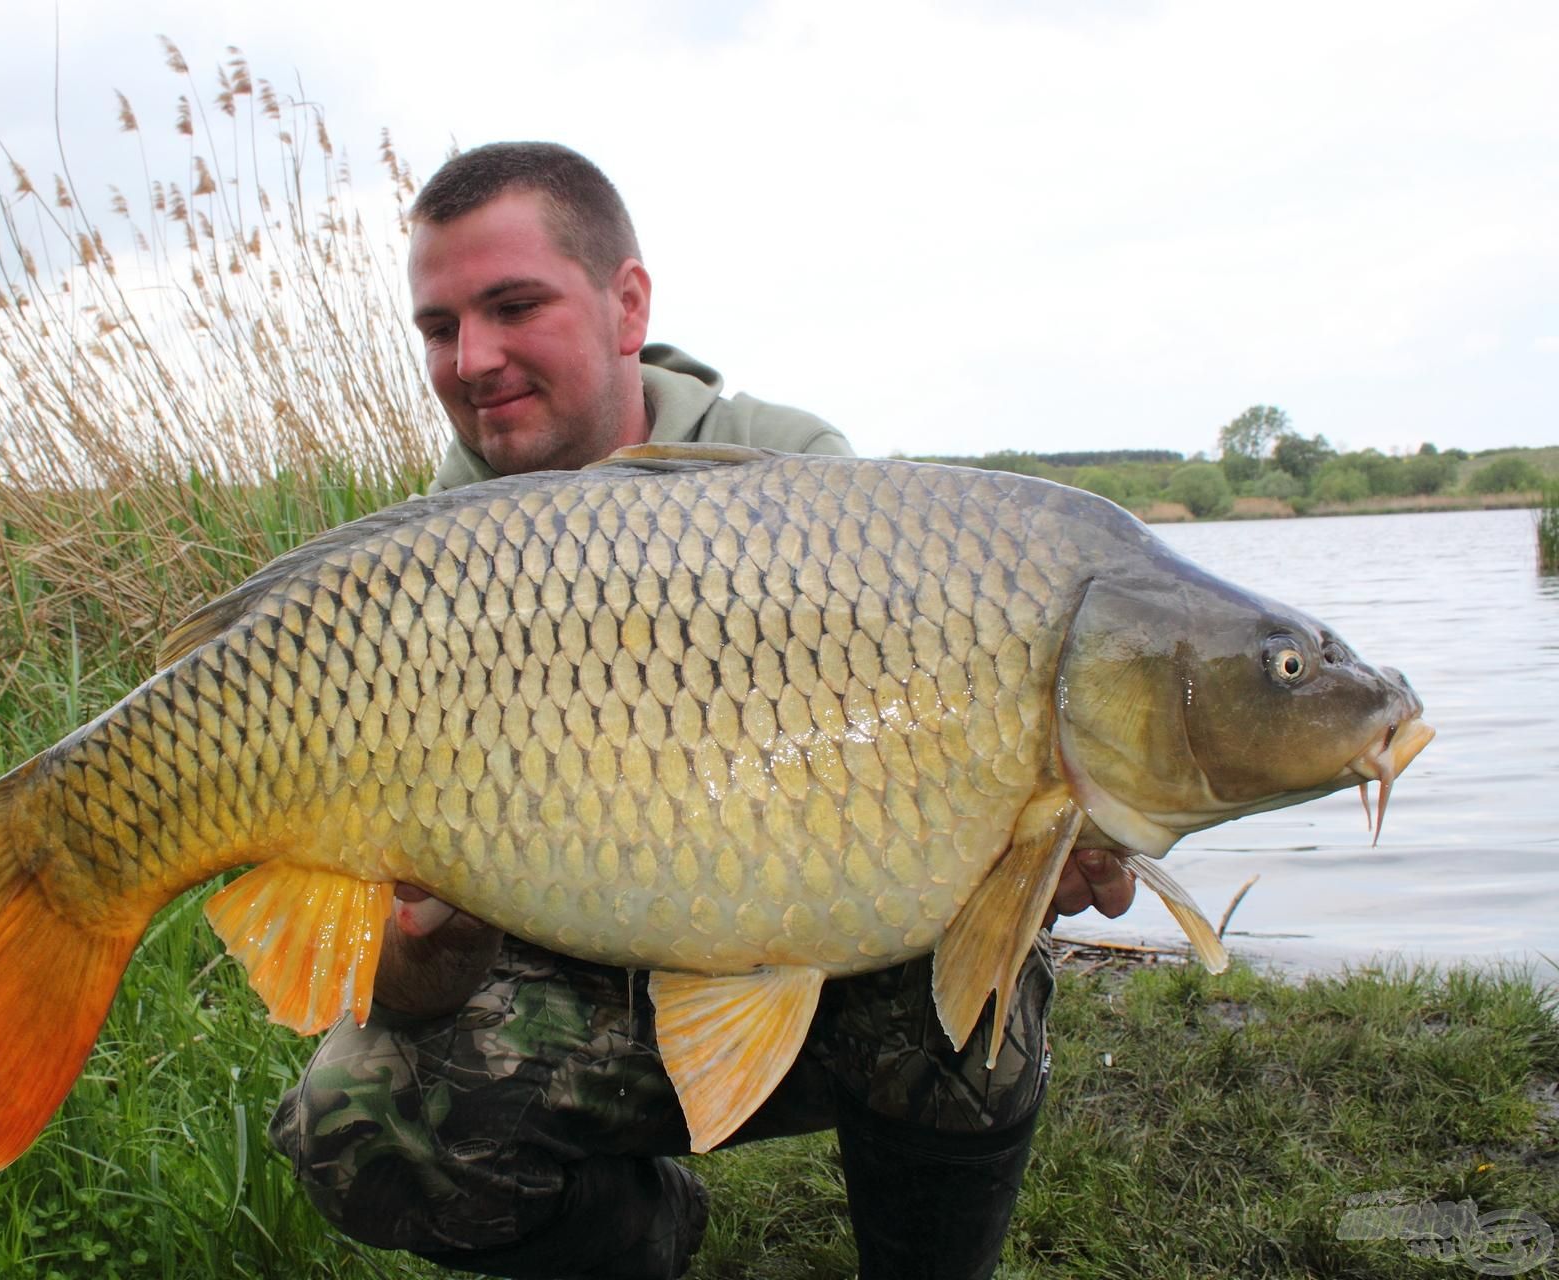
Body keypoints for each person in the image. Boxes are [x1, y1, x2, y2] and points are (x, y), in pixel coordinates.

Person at [271, 141, 1133, 1280]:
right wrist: (434, 940)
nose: (474, 358)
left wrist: (1021, 842)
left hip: (816, 947)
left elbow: (926, 767)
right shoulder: (409, 583)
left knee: (979, 1006)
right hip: (574, 978)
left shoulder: (802, 481)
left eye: (513, 304)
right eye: (440, 327)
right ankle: (642, 1241)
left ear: (626, 303)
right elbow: (410, 988)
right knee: (354, 1116)